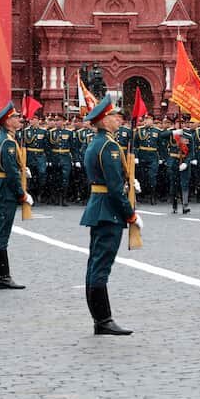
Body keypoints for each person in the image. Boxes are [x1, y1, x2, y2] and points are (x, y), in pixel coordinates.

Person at [80, 95, 140, 335]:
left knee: (95, 262)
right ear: (104, 120)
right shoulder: (110, 146)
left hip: (99, 206)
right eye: (115, 116)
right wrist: (131, 215)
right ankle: (103, 319)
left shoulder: (97, 143)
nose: (119, 119)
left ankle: (100, 318)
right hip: (109, 210)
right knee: (101, 265)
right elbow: (115, 189)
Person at [0, 102, 32, 290]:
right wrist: (22, 195)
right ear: (7, 121)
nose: (18, 119)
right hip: (6, 192)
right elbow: (11, 172)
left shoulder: (5, 139)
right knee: (1, 235)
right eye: (15, 117)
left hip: (1, 189)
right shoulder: (8, 143)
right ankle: (2, 277)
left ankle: (0, 276)